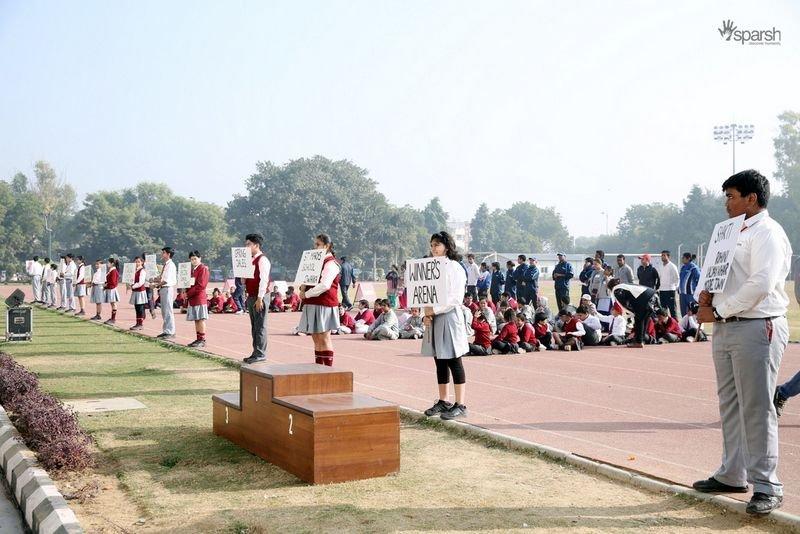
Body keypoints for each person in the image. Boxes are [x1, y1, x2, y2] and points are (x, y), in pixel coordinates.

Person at [693, 170, 791, 515]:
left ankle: (767, 484)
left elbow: (761, 283)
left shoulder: (768, 232)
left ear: (752, 199)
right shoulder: (726, 233)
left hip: (756, 325)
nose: (726, 204)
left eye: (732, 196)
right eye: (726, 197)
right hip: (725, 326)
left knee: (757, 406)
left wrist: (718, 310)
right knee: (730, 403)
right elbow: (712, 274)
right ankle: (733, 473)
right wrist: (703, 297)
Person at [422, 231, 469, 420]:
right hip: (433, 316)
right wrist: (425, 314)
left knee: (453, 359)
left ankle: (461, 404)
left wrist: (433, 310)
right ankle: (443, 401)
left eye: (437, 245)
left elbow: (455, 298)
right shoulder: (430, 267)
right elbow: (424, 293)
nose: (433, 248)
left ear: (447, 247)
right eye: (432, 245)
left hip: (448, 315)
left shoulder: (455, 268)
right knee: (439, 360)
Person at [298, 234, 341, 366]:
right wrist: (303, 287)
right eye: (315, 244)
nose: (314, 247)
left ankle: (327, 370)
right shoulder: (315, 262)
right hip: (312, 303)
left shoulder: (331, 264)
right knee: (315, 337)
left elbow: (325, 285)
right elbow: (308, 279)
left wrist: (307, 294)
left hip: (324, 304)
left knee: (324, 337)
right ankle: (318, 368)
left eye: (318, 244)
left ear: (326, 246)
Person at [243, 233, 272, 364]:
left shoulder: (262, 260)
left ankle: (260, 353)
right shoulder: (250, 260)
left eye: (248, 244)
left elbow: (264, 280)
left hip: (260, 296)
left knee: (260, 326)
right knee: (254, 326)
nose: (246, 247)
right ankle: (256, 351)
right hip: (251, 295)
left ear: (256, 245)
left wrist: (260, 298)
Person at [608, 278, 658, 349]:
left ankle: (638, 342)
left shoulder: (616, 289)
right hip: (652, 295)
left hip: (645, 299)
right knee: (644, 319)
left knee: (639, 320)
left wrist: (631, 314)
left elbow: (624, 304)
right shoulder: (625, 286)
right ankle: (641, 340)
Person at [184, 250, 210, 348]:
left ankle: (202, 339)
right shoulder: (193, 270)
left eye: (195, 258)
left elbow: (201, 285)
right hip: (192, 298)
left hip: (199, 298)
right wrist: (185, 292)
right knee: (196, 319)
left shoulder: (203, 269)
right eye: (192, 259)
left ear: (200, 258)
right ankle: (198, 338)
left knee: (200, 319)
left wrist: (188, 294)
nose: (193, 261)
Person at [154, 247, 178, 340]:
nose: (162, 254)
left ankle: (170, 331)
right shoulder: (166, 265)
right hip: (163, 289)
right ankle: (166, 330)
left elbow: (166, 281)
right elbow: (162, 278)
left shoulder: (170, 265)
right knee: (164, 310)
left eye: (163, 253)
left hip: (167, 288)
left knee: (168, 310)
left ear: (168, 254)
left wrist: (156, 285)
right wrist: (155, 280)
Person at [656, 250, 680, 319]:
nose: (662, 257)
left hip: (670, 290)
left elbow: (677, 278)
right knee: (663, 310)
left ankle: (676, 327)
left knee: (672, 310)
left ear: (668, 256)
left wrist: (675, 287)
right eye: (662, 255)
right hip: (662, 290)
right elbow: (659, 278)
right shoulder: (660, 266)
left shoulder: (672, 266)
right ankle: (665, 326)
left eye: (664, 255)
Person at [128, 256, 149, 331]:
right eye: (136, 262)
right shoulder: (135, 271)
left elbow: (141, 282)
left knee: (140, 308)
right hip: (135, 291)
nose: (137, 263)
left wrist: (133, 286)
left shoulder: (142, 271)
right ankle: (137, 323)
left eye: (138, 262)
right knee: (137, 308)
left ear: (142, 262)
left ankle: (140, 324)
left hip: (140, 291)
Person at [679, 252, 701, 316]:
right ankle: (685, 326)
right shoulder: (683, 267)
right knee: (684, 313)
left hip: (690, 294)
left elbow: (699, 279)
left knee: (692, 312)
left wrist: (696, 289)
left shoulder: (693, 268)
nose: (682, 259)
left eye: (683, 258)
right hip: (682, 294)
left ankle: (694, 326)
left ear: (688, 258)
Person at [102, 257, 120, 325]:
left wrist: (106, 285)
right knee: (112, 304)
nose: (107, 264)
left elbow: (113, 282)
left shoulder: (113, 271)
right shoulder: (111, 270)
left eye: (108, 262)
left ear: (112, 263)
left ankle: (113, 318)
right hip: (110, 289)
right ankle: (112, 318)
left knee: (113, 304)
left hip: (112, 289)